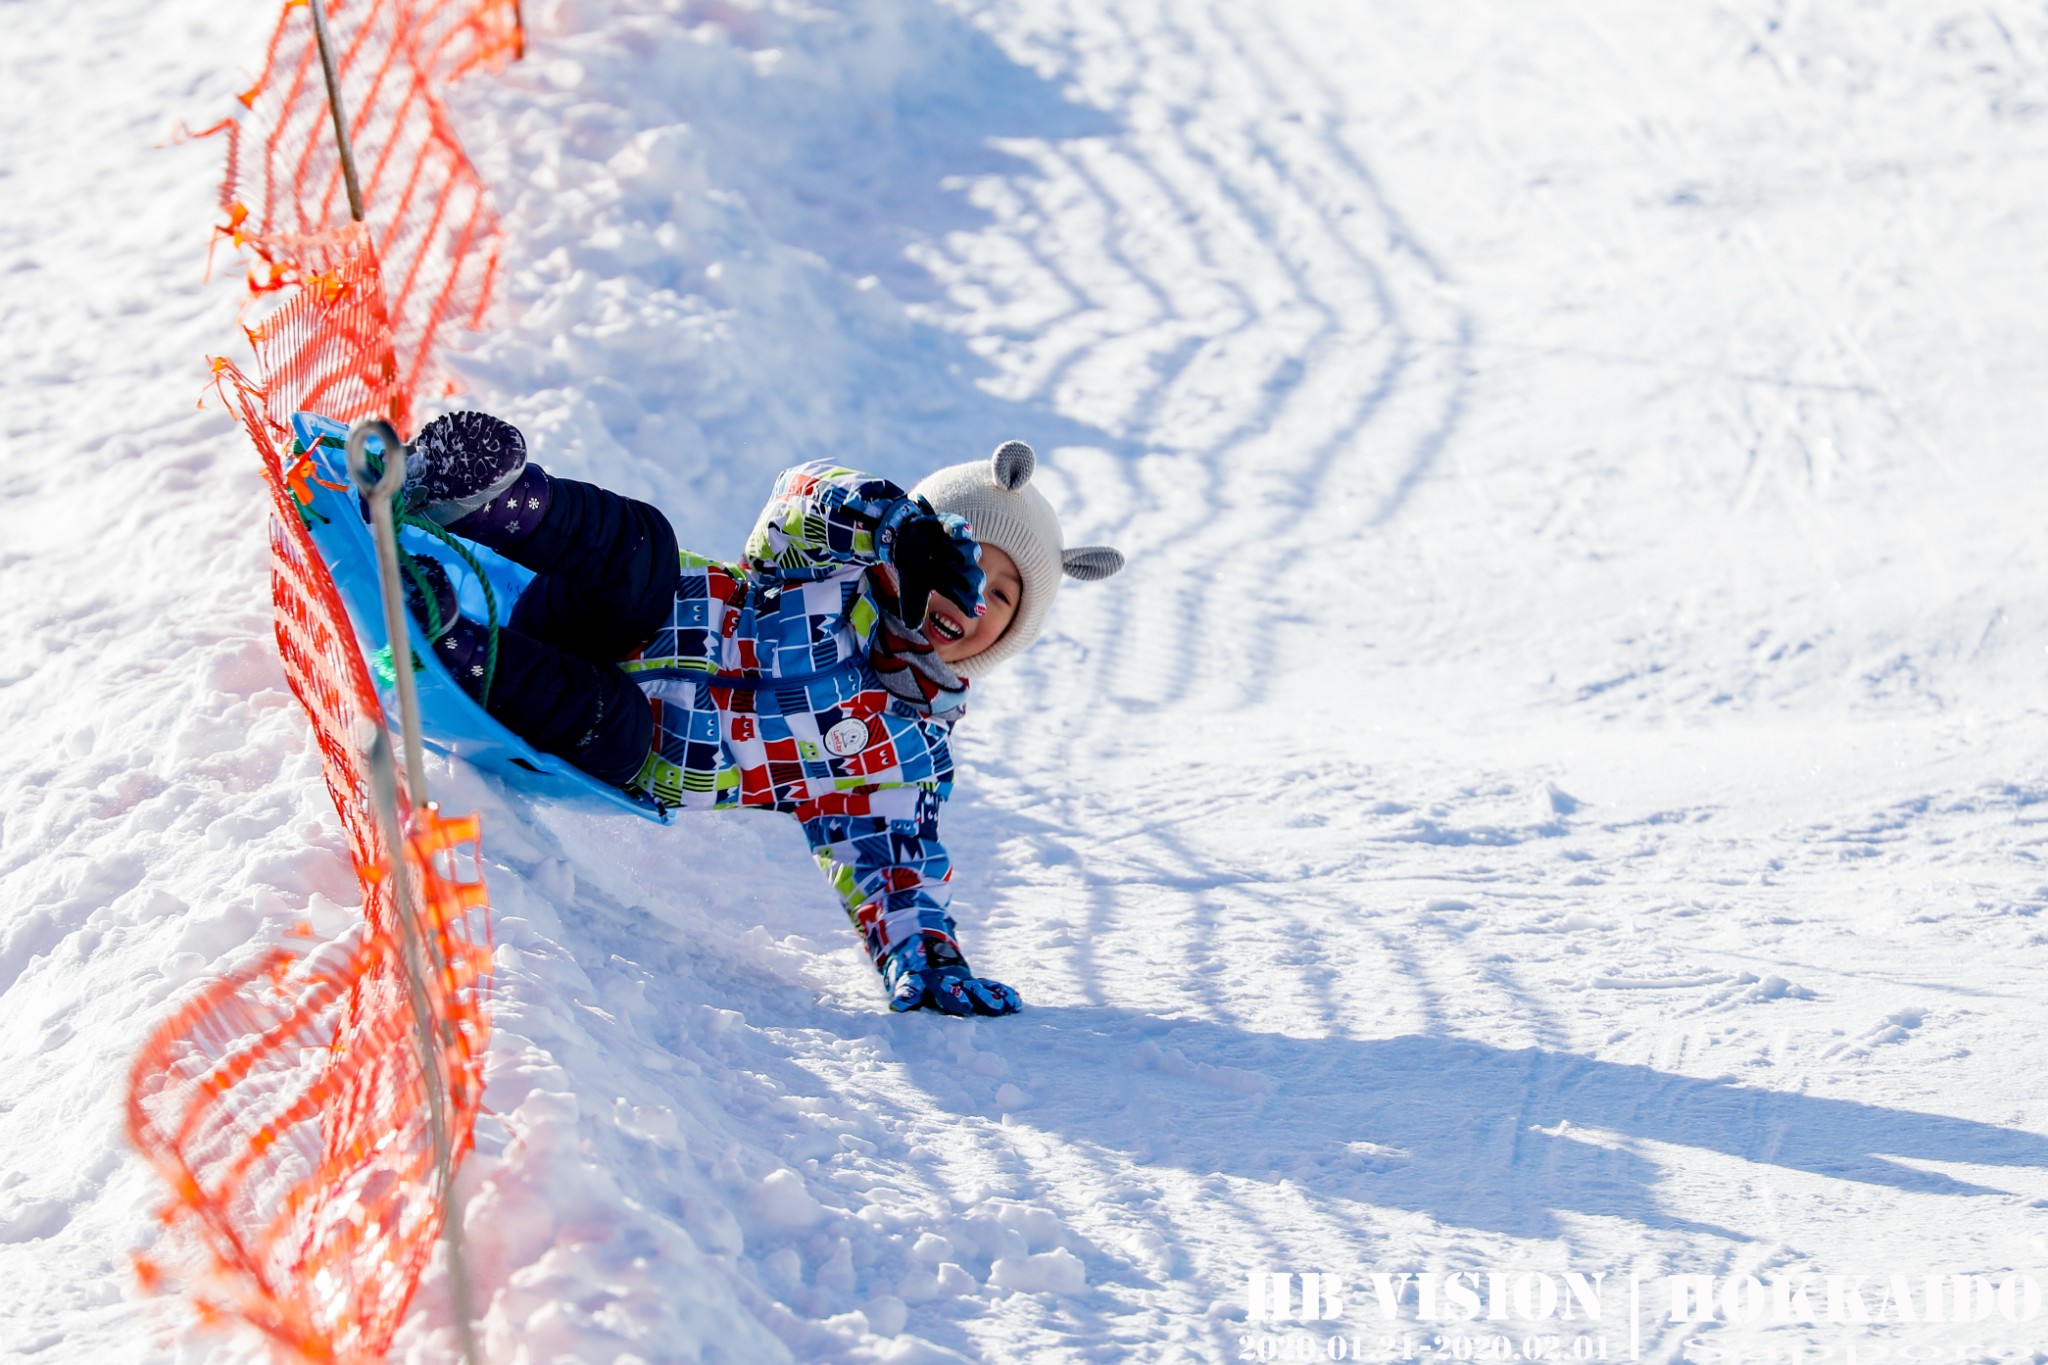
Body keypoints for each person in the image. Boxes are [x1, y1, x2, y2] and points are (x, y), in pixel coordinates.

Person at [389, 412, 1123, 1016]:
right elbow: (800, 496)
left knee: (618, 735)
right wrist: (892, 524)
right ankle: (485, 495)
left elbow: (892, 863)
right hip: (609, 613)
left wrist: (926, 955)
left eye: (1001, 596)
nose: (971, 597)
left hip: (625, 736)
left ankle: (453, 643)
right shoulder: (832, 566)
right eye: (965, 561)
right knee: (644, 548)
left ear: (1007, 637)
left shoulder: (905, 753)